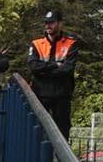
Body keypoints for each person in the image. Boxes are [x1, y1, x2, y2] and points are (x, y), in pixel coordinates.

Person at [26, 9, 79, 140]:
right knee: (37, 127)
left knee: (62, 129)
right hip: (40, 93)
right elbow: (33, 67)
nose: (48, 25)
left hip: (62, 94)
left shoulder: (71, 43)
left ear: (60, 24)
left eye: (52, 22)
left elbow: (67, 69)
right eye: (46, 23)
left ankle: (61, 159)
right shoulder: (37, 44)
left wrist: (44, 70)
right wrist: (55, 65)